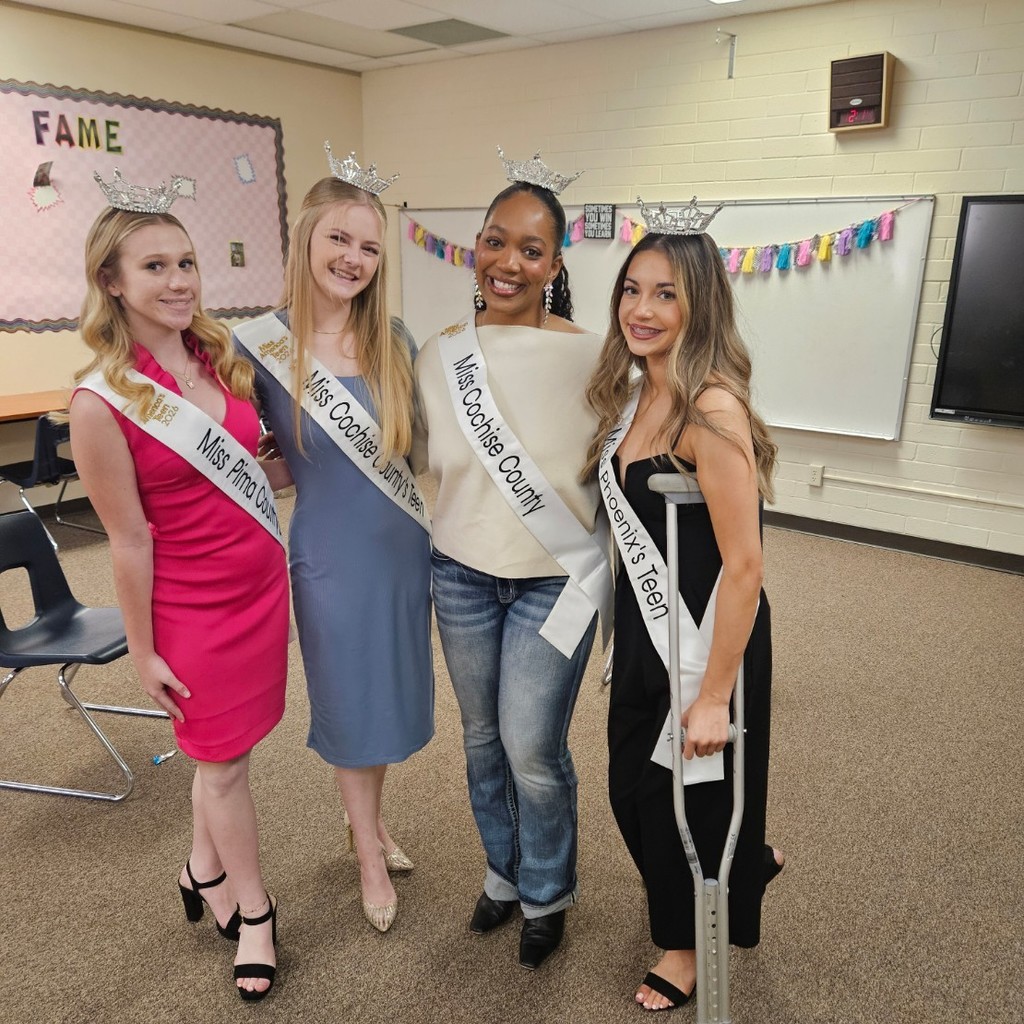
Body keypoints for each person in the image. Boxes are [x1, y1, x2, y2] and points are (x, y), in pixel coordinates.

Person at [69, 175, 289, 1001]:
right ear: (111, 281)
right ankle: (256, 913)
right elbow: (128, 540)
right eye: (154, 266)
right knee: (223, 765)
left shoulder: (217, 361)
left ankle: (201, 867)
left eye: (186, 262)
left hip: (260, 590)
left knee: (224, 751)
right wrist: (144, 650)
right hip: (191, 612)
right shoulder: (100, 403)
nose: (178, 281)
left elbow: (249, 475)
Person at [581, 200, 783, 1011]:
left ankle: (686, 944)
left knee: (686, 802)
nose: (642, 309)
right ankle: (747, 864)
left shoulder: (713, 409)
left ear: (700, 303)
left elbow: (745, 565)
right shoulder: (637, 395)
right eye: (632, 290)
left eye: (666, 293)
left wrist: (713, 695)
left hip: (706, 637)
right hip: (644, 629)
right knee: (630, 789)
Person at [413, 149, 612, 970]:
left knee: (533, 747)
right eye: (496, 241)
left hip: (555, 584)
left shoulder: (598, 358)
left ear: (555, 265)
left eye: (532, 249)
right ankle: (503, 874)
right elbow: (414, 457)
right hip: (460, 574)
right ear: (477, 247)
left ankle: (548, 890)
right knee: (481, 741)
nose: (509, 262)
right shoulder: (438, 354)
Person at [234, 146, 433, 934]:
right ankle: (368, 857)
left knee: (385, 697)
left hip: (401, 550)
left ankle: (368, 825)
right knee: (350, 702)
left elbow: (412, 450)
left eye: (369, 247)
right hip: (330, 555)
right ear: (307, 242)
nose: (353, 259)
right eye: (339, 240)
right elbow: (262, 460)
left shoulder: (396, 339)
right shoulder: (260, 347)